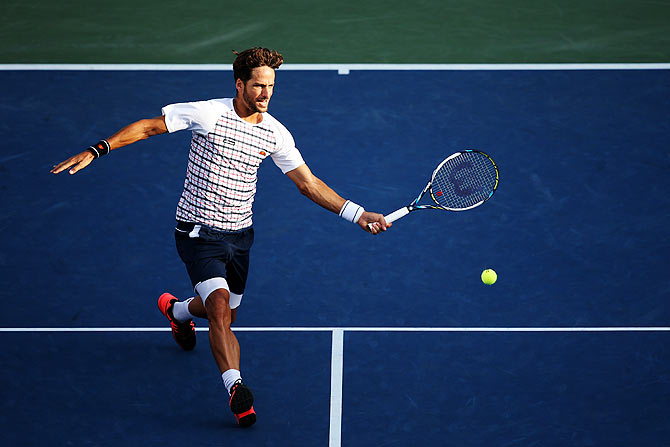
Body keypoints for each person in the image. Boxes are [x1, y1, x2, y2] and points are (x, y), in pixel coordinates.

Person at [50, 47, 390, 428]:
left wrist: (358, 214)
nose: (265, 93)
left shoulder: (275, 132)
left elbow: (307, 183)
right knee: (219, 307)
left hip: (240, 236)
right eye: (258, 85)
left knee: (229, 310)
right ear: (239, 83)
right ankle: (236, 388)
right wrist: (98, 150)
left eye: (271, 86)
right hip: (197, 232)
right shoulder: (209, 113)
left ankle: (178, 311)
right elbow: (149, 127)